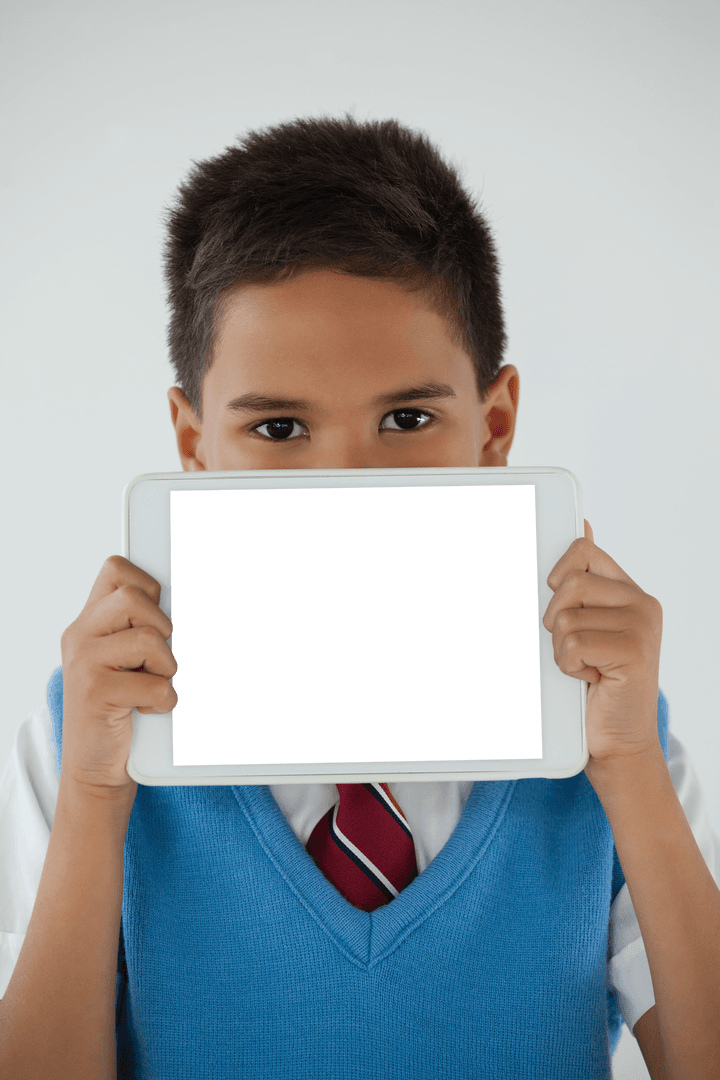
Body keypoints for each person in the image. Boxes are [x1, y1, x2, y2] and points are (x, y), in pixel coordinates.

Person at [0, 114, 719, 1080]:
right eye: (281, 427)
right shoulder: (82, 736)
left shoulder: (608, 730)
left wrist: (630, 774)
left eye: (408, 417)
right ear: (193, 441)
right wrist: (94, 798)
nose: (346, 480)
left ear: (495, 424)